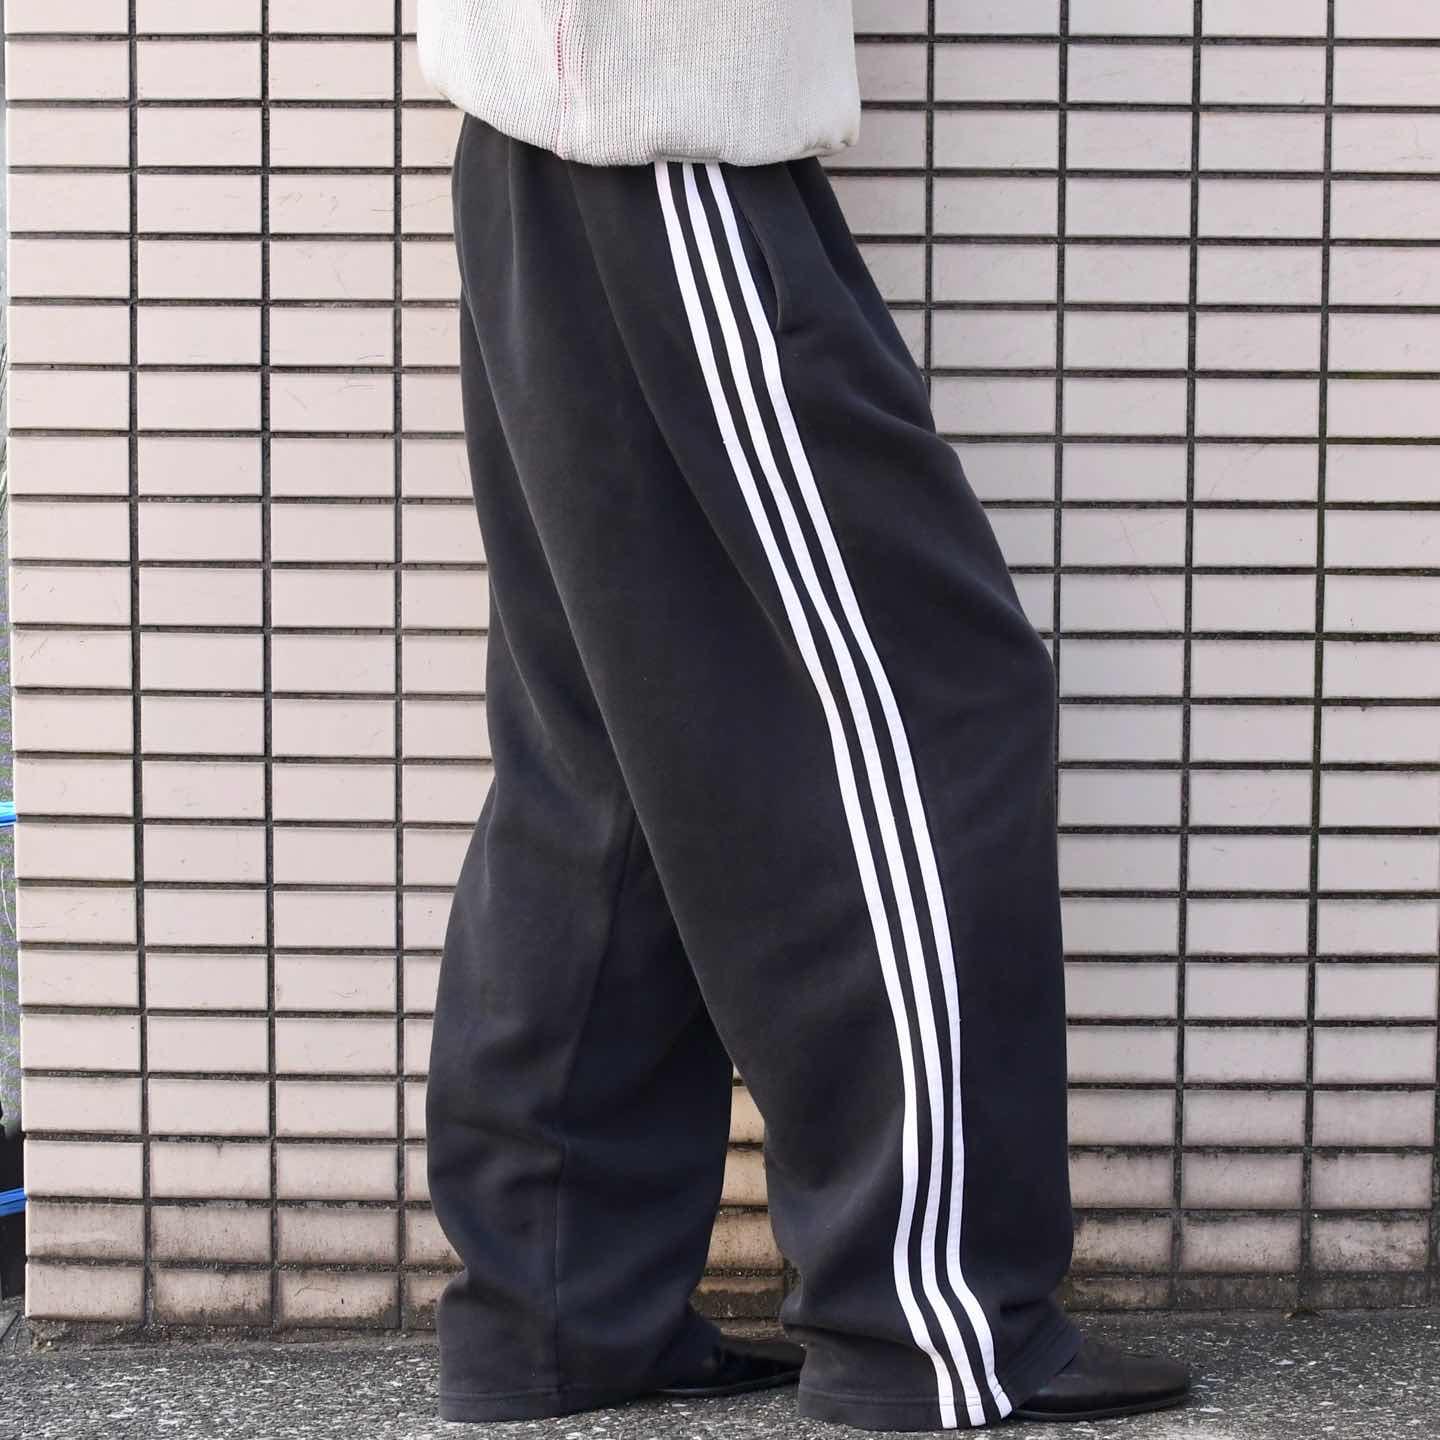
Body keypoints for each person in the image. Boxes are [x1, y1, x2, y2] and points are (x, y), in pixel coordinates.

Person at [415, 1, 1192, 1430]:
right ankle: (933, 1316)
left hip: (564, 126)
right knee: (933, 706)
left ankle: (560, 1309)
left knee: (610, 756)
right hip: (663, 126)